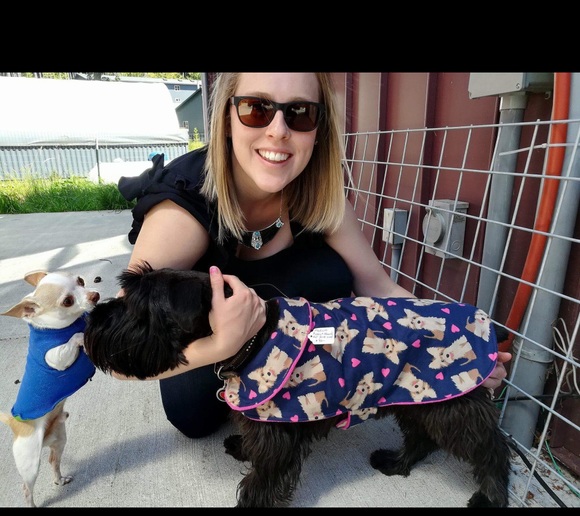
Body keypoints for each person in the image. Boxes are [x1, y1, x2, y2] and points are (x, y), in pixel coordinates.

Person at [115, 72, 511, 439]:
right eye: (256, 108)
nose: (278, 131)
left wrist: (456, 345)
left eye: (300, 113)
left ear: (319, 129)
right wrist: (221, 345)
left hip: (308, 349)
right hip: (214, 366)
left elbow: (378, 287)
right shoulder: (183, 208)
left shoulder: (319, 192)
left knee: (334, 307)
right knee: (192, 413)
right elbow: (120, 354)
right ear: (227, 119)